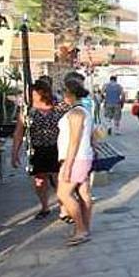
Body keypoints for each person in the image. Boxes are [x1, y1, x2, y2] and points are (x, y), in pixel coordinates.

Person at [11, 80, 64, 218]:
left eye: (34, 92)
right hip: (37, 148)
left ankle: (64, 207)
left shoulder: (59, 107)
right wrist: (15, 153)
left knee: (59, 178)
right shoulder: (27, 110)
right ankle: (45, 207)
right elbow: (19, 132)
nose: (31, 95)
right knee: (40, 180)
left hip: (57, 147)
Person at [56, 79, 94, 246]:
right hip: (83, 156)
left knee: (63, 194)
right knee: (83, 193)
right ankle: (84, 227)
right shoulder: (82, 111)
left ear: (69, 94)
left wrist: (68, 165)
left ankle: (80, 229)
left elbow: (74, 140)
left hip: (76, 158)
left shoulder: (76, 113)